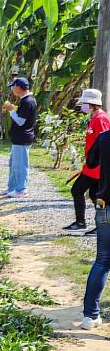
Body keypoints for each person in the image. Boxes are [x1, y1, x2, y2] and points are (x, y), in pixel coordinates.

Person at [64, 89, 110, 233]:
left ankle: (81, 222)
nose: (82, 105)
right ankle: (102, 225)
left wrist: (96, 163)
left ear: (92, 104)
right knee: (95, 195)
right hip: (93, 165)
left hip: (96, 167)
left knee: (77, 190)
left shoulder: (101, 119)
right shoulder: (95, 118)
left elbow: (104, 143)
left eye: (84, 102)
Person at [79, 121, 110, 329]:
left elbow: (90, 162)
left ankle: (90, 316)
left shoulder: (105, 137)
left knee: (102, 261)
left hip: (105, 205)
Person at [2, 77, 38, 198]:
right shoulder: (25, 100)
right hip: (19, 138)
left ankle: (21, 189)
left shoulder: (28, 101)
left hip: (23, 138)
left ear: (18, 87)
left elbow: (21, 121)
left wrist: (11, 110)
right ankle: (12, 187)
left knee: (20, 165)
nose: (12, 89)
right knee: (13, 164)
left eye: (13, 86)